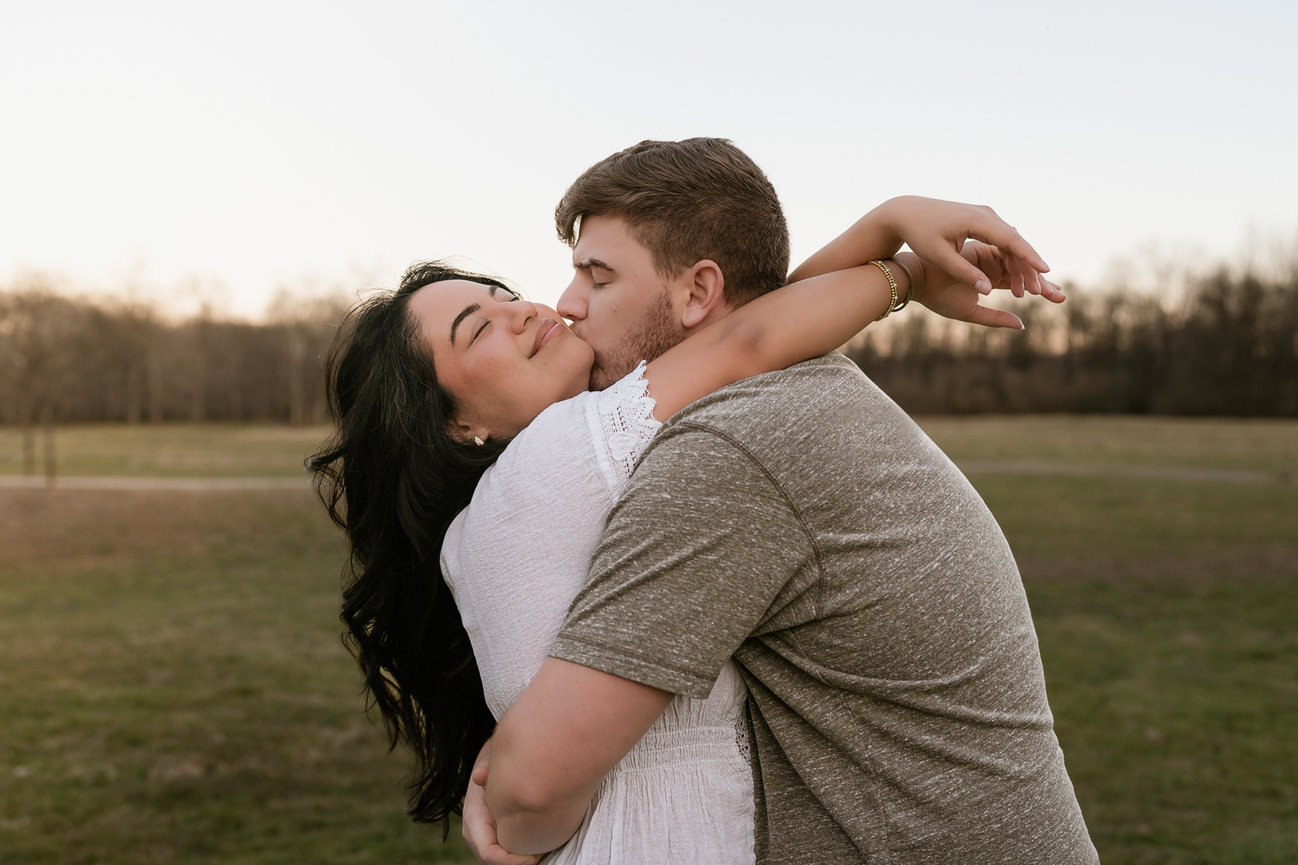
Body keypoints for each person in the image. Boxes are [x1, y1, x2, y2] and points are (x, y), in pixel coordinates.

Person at [462, 138, 1099, 865]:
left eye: (597, 278)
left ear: (700, 293)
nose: (567, 304)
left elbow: (537, 785)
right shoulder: (788, 388)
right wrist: (895, 249)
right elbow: (757, 324)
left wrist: (497, 781)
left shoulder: (728, 452)